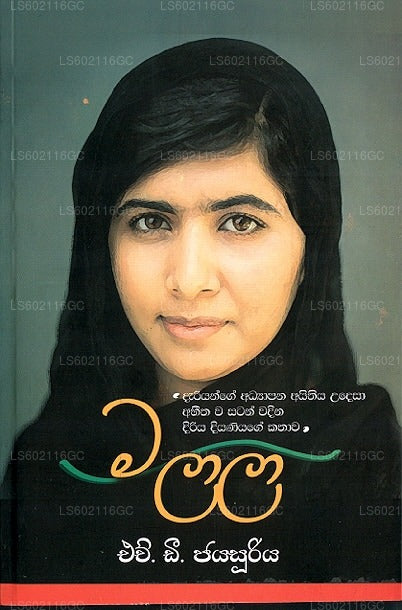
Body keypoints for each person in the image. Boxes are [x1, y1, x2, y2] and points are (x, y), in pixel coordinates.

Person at [1, 38, 400, 590]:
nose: (189, 281)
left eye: (240, 222)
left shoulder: (362, 464)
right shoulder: (51, 462)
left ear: (313, 247)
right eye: (150, 222)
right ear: (101, 244)